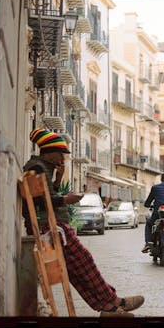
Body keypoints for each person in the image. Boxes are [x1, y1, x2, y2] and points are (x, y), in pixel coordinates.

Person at [23, 129, 144, 317]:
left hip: (53, 224)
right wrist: (66, 200)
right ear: (50, 152)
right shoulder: (38, 168)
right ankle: (112, 304)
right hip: (52, 227)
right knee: (83, 262)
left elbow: (47, 195)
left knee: (78, 269)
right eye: (61, 154)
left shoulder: (43, 168)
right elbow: (40, 201)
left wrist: (58, 180)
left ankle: (110, 305)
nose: (63, 158)